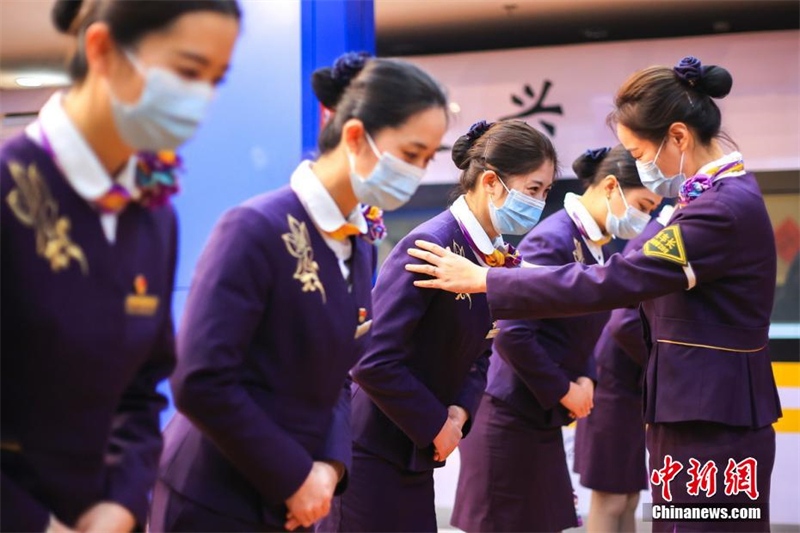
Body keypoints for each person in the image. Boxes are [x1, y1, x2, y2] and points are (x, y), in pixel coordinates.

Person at [407, 56, 782, 532]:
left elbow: (618, 280)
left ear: (679, 137)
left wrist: (487, 279)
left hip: (711, 413)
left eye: (641, 153)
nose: (644, 169)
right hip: (698, 406)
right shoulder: (715, 201)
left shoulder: (719, 210)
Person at [148, 51, 448, 532]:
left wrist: (329, 466)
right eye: (411, 154)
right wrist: (293, 476)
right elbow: (200, 380)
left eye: (427, 159)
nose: (417, 172)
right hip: (215, 495)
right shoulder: (255, 227)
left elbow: (338, 374)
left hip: (303, 495)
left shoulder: (359, 244)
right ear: (355, 135)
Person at [0, 1, 240, 531]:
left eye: (215, 80)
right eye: (186, 71)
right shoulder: (10, 188)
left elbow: (140, 388)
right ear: (102, 50)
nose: (200, 98)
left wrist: (121, 503)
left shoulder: (153, 215)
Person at [320, 119, 556, 533]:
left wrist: (459, 412)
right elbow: (372, 358)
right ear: (491, 182)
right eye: (532, 189)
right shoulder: (431, 245)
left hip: (418, 444)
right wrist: (435, 424)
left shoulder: (492, 255)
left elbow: (482, 348)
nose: (538, 203)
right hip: (371, 445)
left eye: (545, 193)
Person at [451, 144, 661, 533]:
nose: (643, 219)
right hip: (508, 410)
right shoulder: (554, 239)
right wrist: (564, 388)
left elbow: (580, 328)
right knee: (501, 522)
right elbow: (514, 333)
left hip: (538, 412)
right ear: (612, 187)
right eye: (642, 205)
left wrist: (585, 377)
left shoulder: (599, 245)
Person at [573, 203, 674, 533]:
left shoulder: (661, 235)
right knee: (611, 498)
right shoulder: (655, 240)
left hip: (628, 390)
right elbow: (624, 322)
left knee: (629, 497)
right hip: (613, 390)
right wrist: (661, 363)